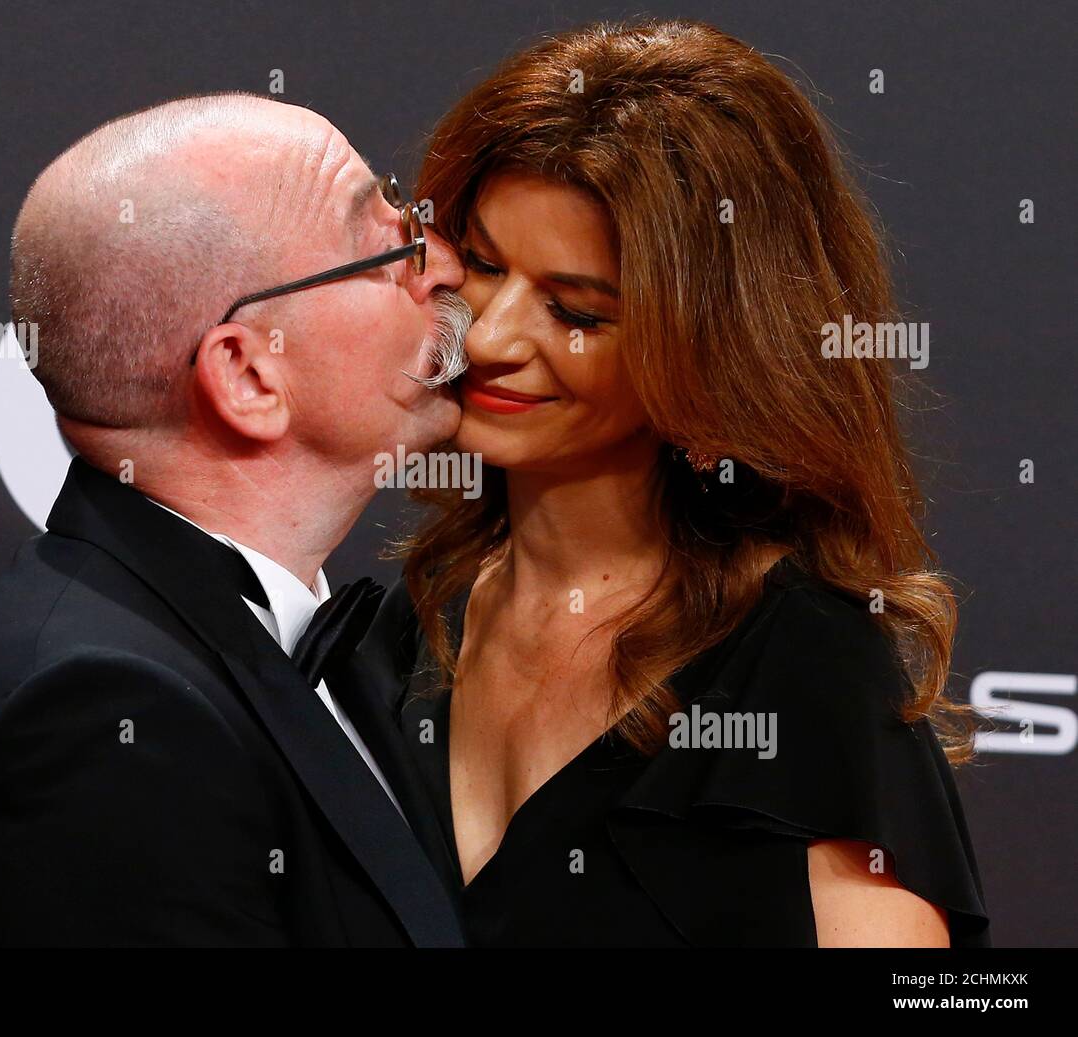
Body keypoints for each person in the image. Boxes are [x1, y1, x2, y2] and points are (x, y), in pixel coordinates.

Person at [377, 20, 992, 947]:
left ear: (714, 351)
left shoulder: (801, 674)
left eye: (576, 310)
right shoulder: (394, 634)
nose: (494, 338)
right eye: (485, 266)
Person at [0, 92, 472, 946]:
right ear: (251, 378)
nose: (440, 261)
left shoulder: (260, 640)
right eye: (385, 248)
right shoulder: (111, 723)